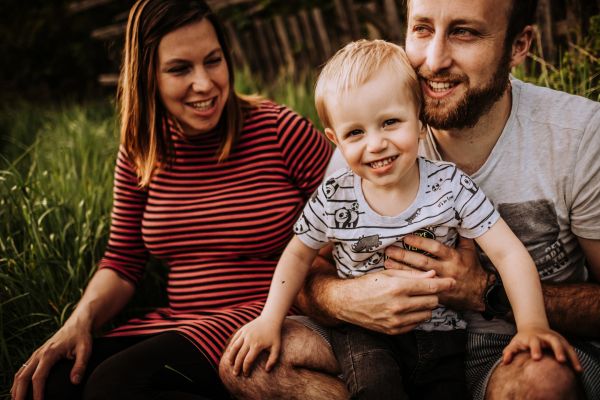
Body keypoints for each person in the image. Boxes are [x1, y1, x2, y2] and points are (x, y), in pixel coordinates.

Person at [219, 0, 600, 399]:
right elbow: (304, 260)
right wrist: (347, 297)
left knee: (540, 383)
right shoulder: (362, 151)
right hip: (372, 339)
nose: (433, 60)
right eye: (421, 29)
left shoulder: (578, 137)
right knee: (250, 365)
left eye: (463, 32)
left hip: (500, 349)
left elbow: (511, 257)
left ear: (520, 45)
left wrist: (484, 291)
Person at [10, 0, 332, 399]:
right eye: (180, 69)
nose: (205, 83)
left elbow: (355, 216)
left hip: (263, 319)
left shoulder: (281, 131)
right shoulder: (140, 152)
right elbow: (123, 262)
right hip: (179, 321)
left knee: (116, 385)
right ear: (149, 76)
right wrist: (79, 321)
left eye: (213, 61)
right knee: (56, 383)